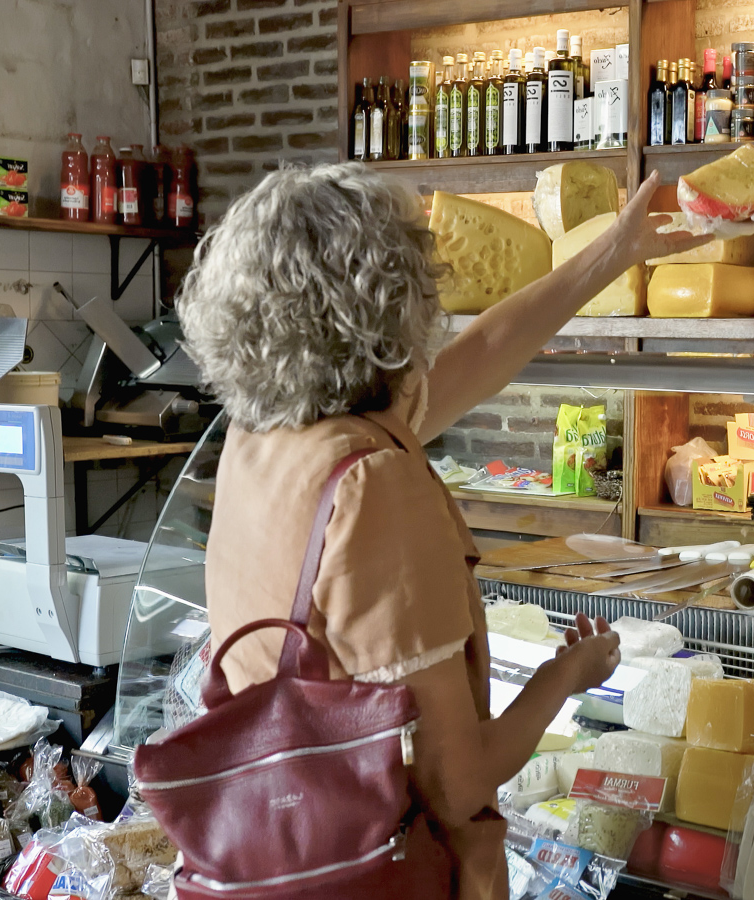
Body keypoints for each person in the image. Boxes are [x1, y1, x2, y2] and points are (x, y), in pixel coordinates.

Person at [176, 162, 709, 900]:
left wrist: (614, 249)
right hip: (390, 870)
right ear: (393, 302)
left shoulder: (265, 432)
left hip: (282, 842)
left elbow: (486, 353)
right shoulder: (375, 485)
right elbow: (461, 784)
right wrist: (567, 676)